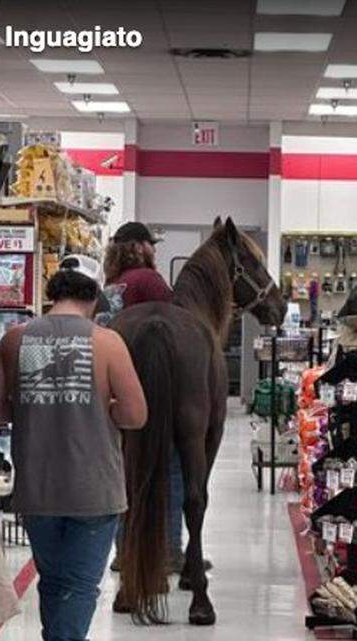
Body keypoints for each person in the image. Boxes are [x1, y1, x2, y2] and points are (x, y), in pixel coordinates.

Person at [0, 258, 146, 641]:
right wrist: (103, 408)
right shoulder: (107, 343)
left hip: (38, 490)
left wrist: (33, 406)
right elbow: (136, 415)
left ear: (53, 292)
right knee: (80, 587)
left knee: (53, 583)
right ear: (95, 297)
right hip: (94, 490)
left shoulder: (16, 339)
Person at [103, 221, 211, 577]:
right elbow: (173, 323)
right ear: (139, 246)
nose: (154, 249)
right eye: (151, 244)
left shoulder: (114, 283)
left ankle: (124, 549)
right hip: (155, 386)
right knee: (174, 464)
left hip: (120, 384)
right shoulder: (150, 282)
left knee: (127, 470)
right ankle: (171, 549)